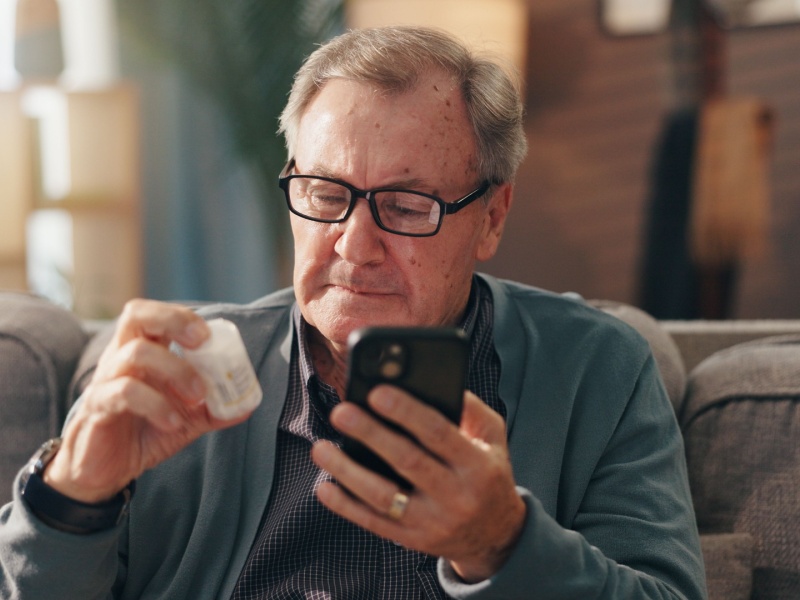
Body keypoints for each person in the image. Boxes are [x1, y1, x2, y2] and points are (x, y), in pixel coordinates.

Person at [0, 25, 706, 599]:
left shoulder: (597, 369)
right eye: (325, 194)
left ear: (492, 217)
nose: (354, 245)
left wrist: (503, 545)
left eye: (406, 205)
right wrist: (72, 497)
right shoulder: (176, 371)